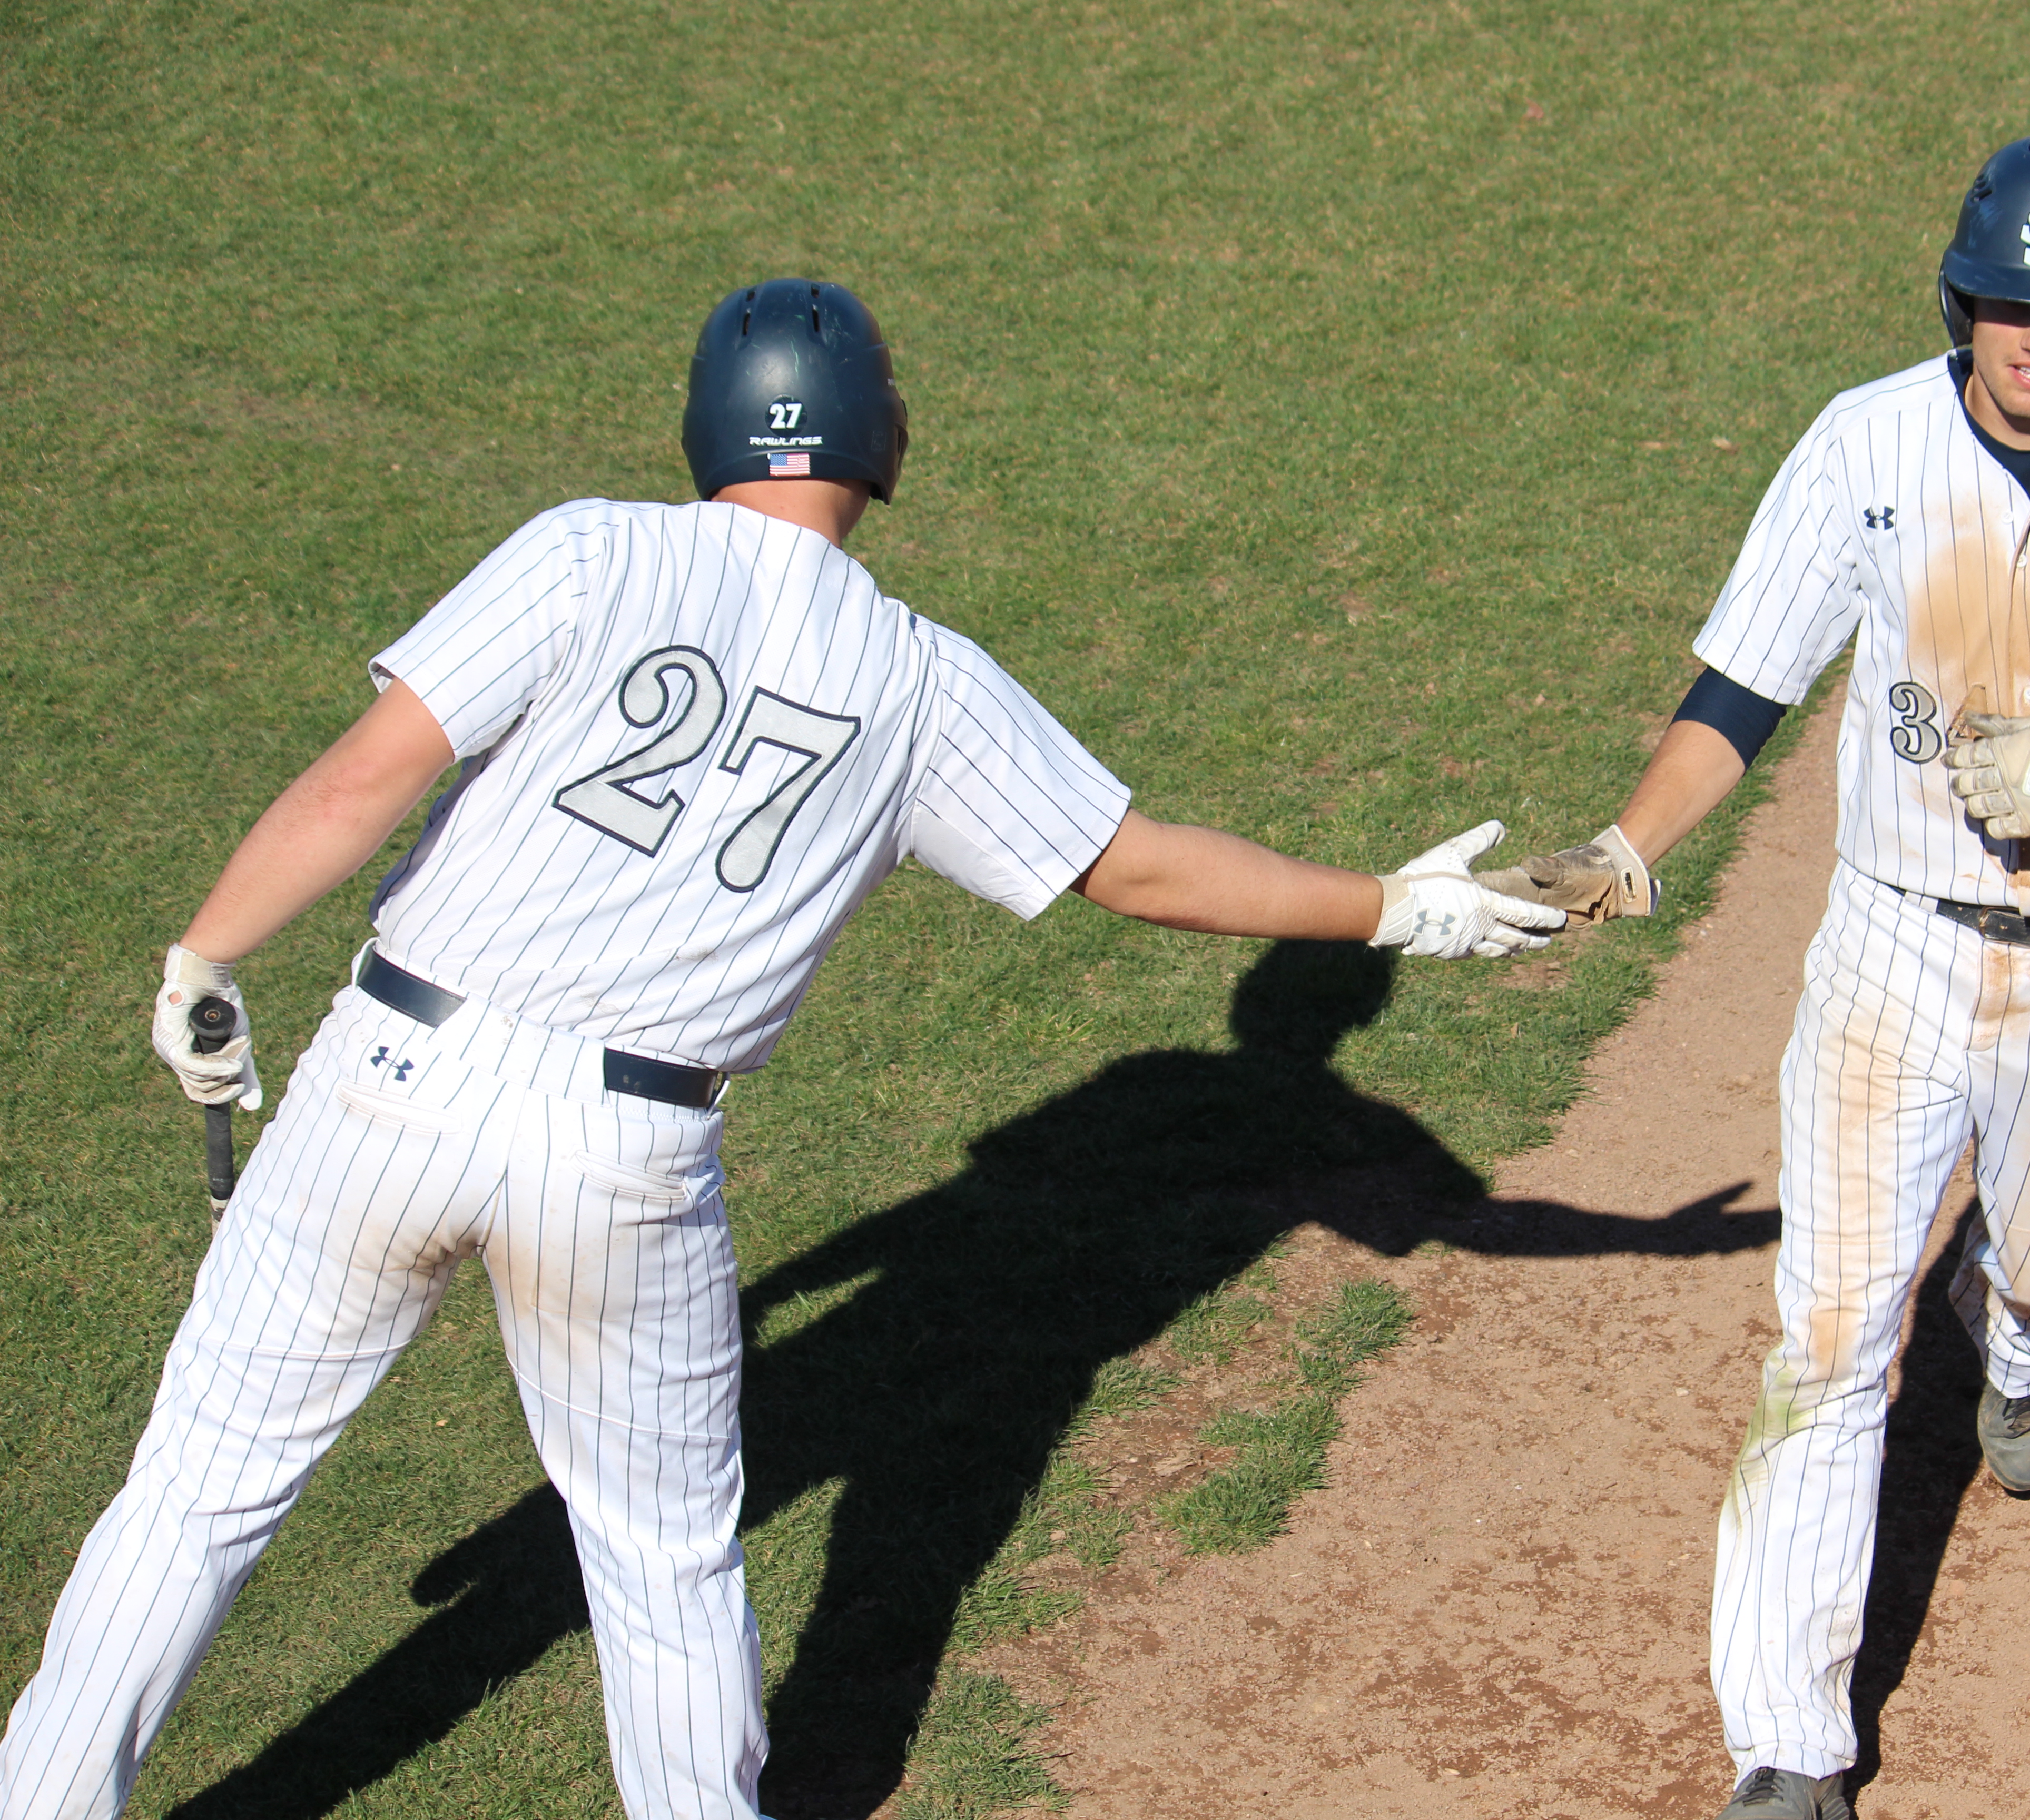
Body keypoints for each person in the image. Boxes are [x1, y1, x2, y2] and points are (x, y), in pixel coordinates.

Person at [0, 278, 1560, 1820]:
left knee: (195, 1498)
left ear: (707, 426)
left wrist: (208, 954)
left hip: (389, 1074)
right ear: (882, 443)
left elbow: (364, 783)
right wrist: (1393, 907)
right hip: (624, 1155)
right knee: (661, 1556)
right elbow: (1134, 867)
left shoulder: (587, 548)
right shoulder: (921, 679)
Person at [1488, 137, 2030, 1819]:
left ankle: (2019, 1347)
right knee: (1827, 1337)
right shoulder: (1864, 444)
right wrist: (1629, 843)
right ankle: (1788, 1749)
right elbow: (1742, 686)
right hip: (1893, 947)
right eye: (2014, 306)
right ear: (1964, 300)